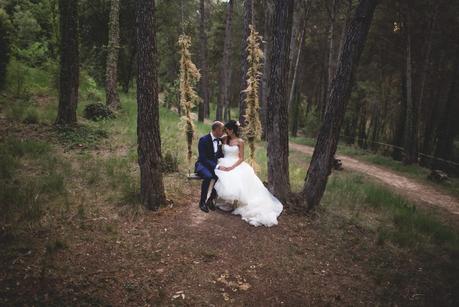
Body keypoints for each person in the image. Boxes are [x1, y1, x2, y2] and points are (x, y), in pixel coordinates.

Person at [214, 120, 283, 227]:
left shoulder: (240, 142)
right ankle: (225, 202)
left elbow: (241, 158)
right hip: (224, 161)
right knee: (222, 174)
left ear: (232, 130)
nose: (225, 131)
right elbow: (215, 140)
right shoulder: (224, 139)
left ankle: (234, 203)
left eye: (227, 130)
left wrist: (231, 167)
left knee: (234, 176)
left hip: (236, 163)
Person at [195, 121, 224, 212]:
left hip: (213, 166)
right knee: (208, 177)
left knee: (221, 177)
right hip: (202, 165)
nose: (223, 132)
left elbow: (220, 155)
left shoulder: (219, 141)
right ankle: (202, 202)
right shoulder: (203, 140)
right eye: (222, 130)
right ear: (216, 130)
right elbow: (203, 158)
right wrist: (216, 166)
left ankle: (210, 200)